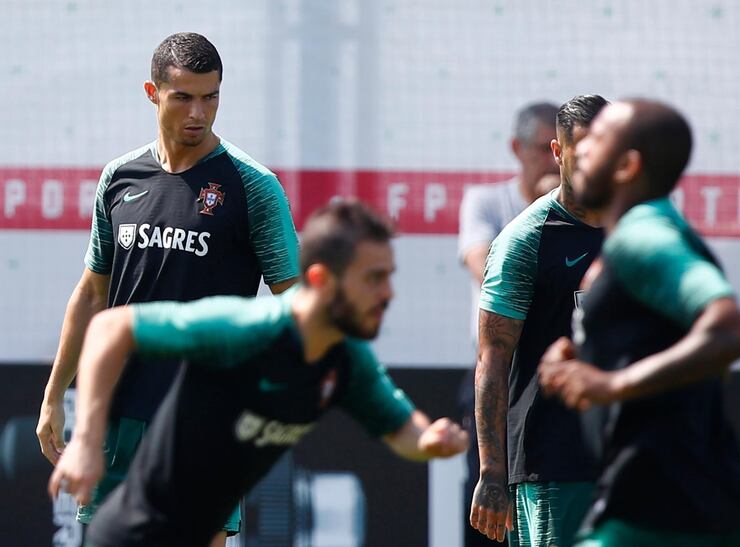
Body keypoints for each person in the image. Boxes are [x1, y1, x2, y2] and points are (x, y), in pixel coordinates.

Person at [48, 199, 469, 547]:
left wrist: (428, 440)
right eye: (374, 279)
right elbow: (109, 327)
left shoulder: (346, 357)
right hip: (131, 537)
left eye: (389, 278)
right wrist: (85, 441)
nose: (388, 294)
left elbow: (400, 429)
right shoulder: (247, 330)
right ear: (320, 280)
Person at [35, 32, 299, 544]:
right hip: (117, 416)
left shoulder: (253, 187)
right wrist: (52, 396)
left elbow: (296, 305)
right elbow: (93, 292)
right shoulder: (119, 177)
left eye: (211, 96)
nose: (199, 112)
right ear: (152, 93)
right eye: (183, 97)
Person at [538, 99, 740, 546]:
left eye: (597, 141)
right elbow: (700, 358)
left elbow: (732, 330)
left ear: (627, 166)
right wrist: (587, 360)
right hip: (691, 505)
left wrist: (612, 384)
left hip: (663, 514)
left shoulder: (642, 237)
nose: (579, 152)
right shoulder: (643, 232)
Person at [469, 95, 610, 546]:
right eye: (583, 149)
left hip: (627, 457)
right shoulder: (525, 240)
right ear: (557, 152)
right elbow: (492, 358)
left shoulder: (637, 228)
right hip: (554, 464)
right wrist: (492, 473)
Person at [457, 101, 560, 547]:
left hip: (561, 375)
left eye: (561, 150)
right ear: (517, 149)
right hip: (499, 371)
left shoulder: (590, 215)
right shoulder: (487, 201)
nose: (554, 160)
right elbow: (484, 267)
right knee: (490, 507)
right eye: (543, 149)